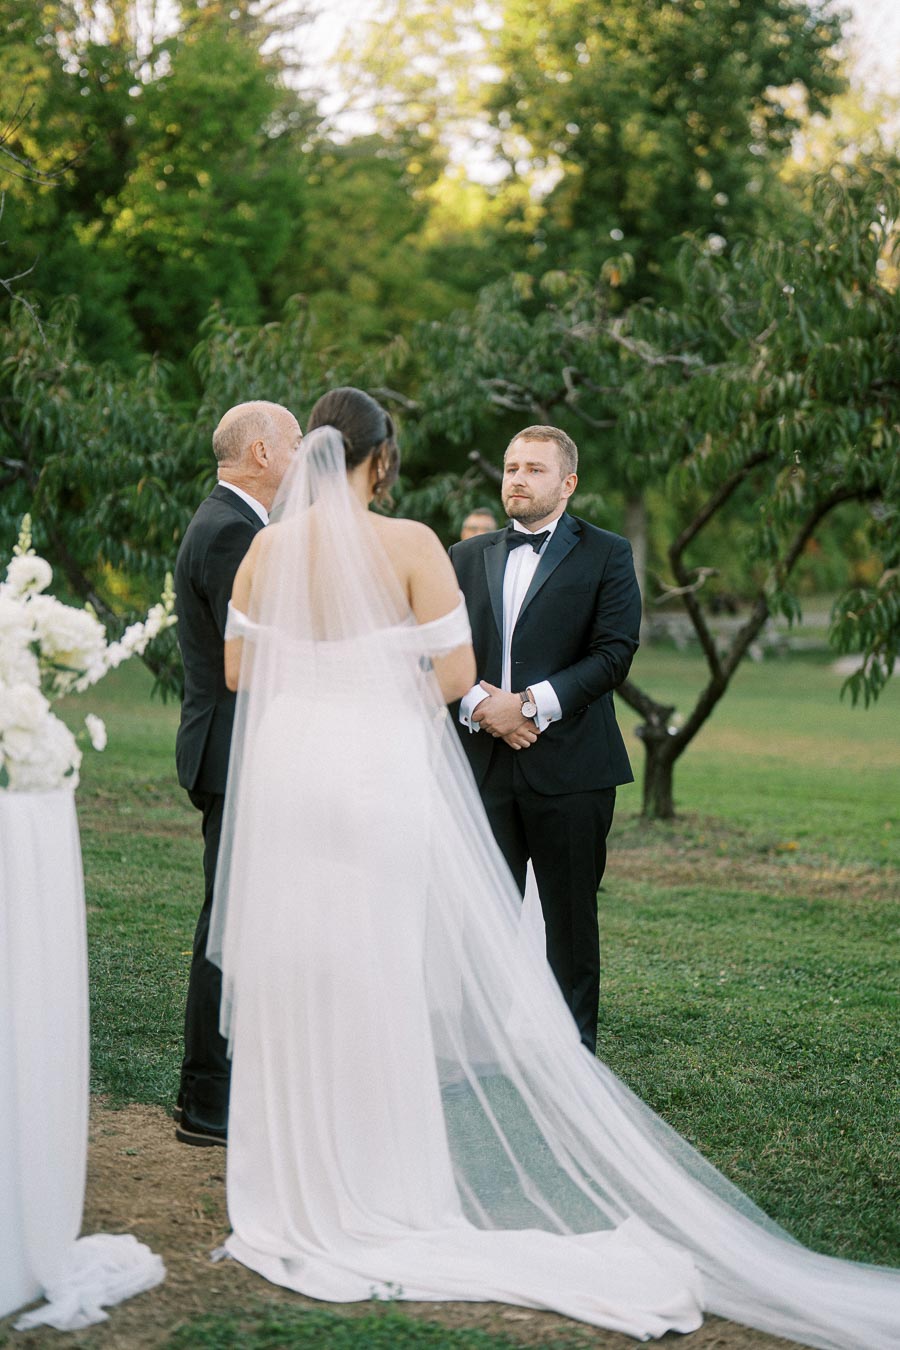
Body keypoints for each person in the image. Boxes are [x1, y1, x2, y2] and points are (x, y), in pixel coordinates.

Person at [206, 387, 897, 1348]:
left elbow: (241, 673)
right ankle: (386, 1178)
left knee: (310, 952)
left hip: (295, 768)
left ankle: (299, 1179)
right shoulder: (411, 545)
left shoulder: (267, 549)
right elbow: (449, 678)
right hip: (375, 771)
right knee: (380, 951)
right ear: (381, 460)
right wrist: (401, 677)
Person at [448, 426, 640, 1050]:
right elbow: (439, 651)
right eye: (510, 468)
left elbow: (614, 653)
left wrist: (530, 704)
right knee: (482, 923)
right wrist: (483, 705)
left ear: (567, 483)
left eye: (533, 469)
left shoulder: (607, 553)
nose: (517, 479)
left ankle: (573, 1061)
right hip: (481, 765)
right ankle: (480, 1053)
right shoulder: (464, 557)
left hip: (573, 770)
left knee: (571, 926)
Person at [173, 399, 301, 1147]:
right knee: (228, 925)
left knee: (240, 919)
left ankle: (223, 1087)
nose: (297, 458)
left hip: (239, 749)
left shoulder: (237, 525)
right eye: (290, 443)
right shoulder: (232, 533)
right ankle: (207, 1099)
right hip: (234, 752)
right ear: (260, 452)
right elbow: (254, 659)